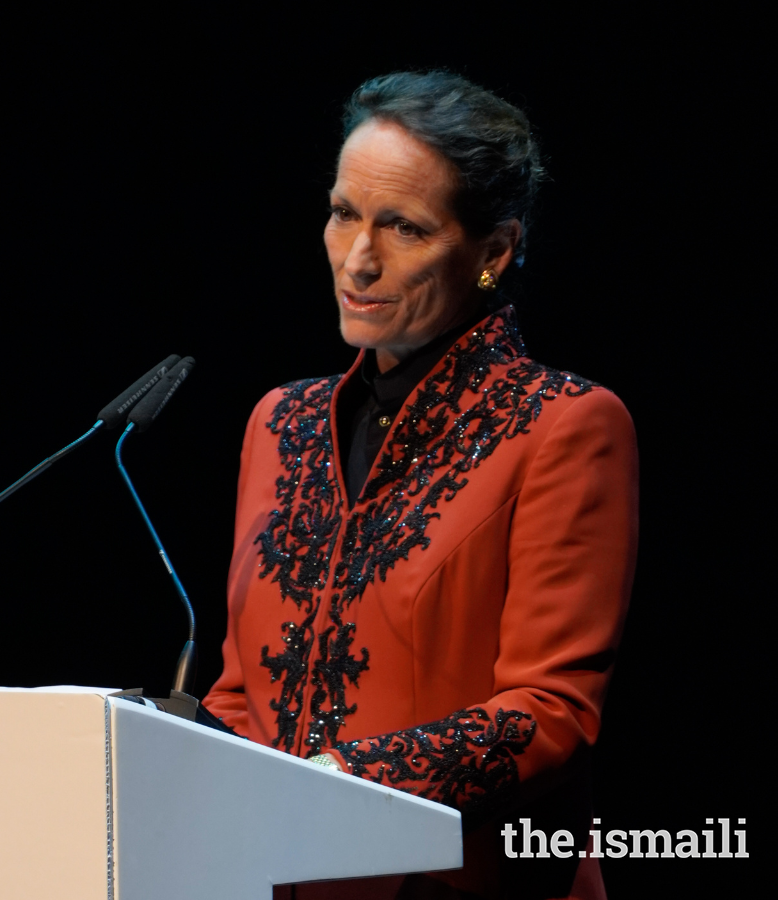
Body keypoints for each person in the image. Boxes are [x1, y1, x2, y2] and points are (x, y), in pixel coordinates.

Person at [203, 71, 638, 900]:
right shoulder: (279, 424)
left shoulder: (564, 424)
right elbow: (239, 689)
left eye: (403, 228)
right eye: (343, 214)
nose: (358, 260)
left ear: (494, 252)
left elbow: (552, 711)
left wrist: (343, 779)